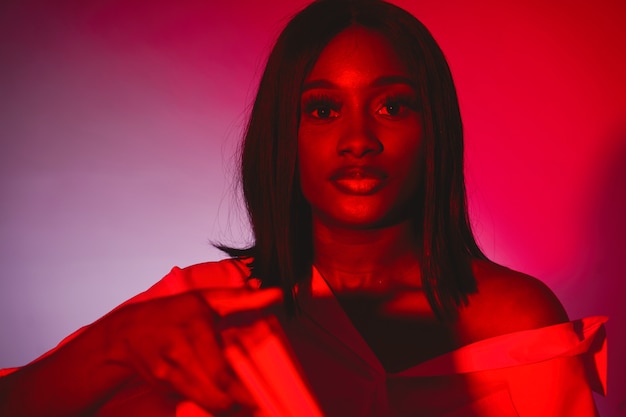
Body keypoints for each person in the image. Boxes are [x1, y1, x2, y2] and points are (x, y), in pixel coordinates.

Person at [0, 0, 607, 416]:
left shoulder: (521, 321)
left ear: (435, 132)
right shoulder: (202, 310)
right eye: (321, 109)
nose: (358, 139)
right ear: (281, 136)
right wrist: (112, 343)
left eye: (392, 106)